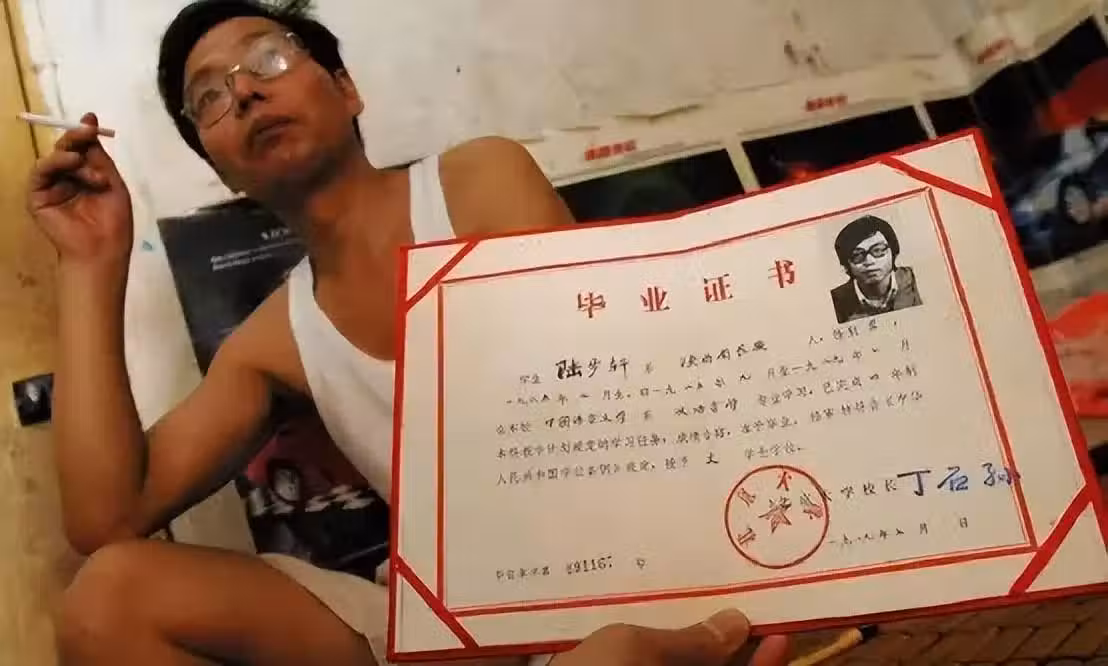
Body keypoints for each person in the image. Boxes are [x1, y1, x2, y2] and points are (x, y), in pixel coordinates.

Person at [27, 1, 576, 663]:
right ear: (222, 171)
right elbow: (106, 520)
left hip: (608, 568)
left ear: (346, 89)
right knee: (107, 600)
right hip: (450, 623)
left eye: (268, 58)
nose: (245, 93)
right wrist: (90, 263)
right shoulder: (277, 342)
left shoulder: (479, 185)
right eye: (210, 97)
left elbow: (601, 403)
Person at [829, 214, 922, 324]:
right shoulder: (835, 301)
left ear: (893, 252)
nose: (869, 261)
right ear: (846, 264)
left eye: (878, 250)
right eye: (857, 255)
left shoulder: (917, 279)